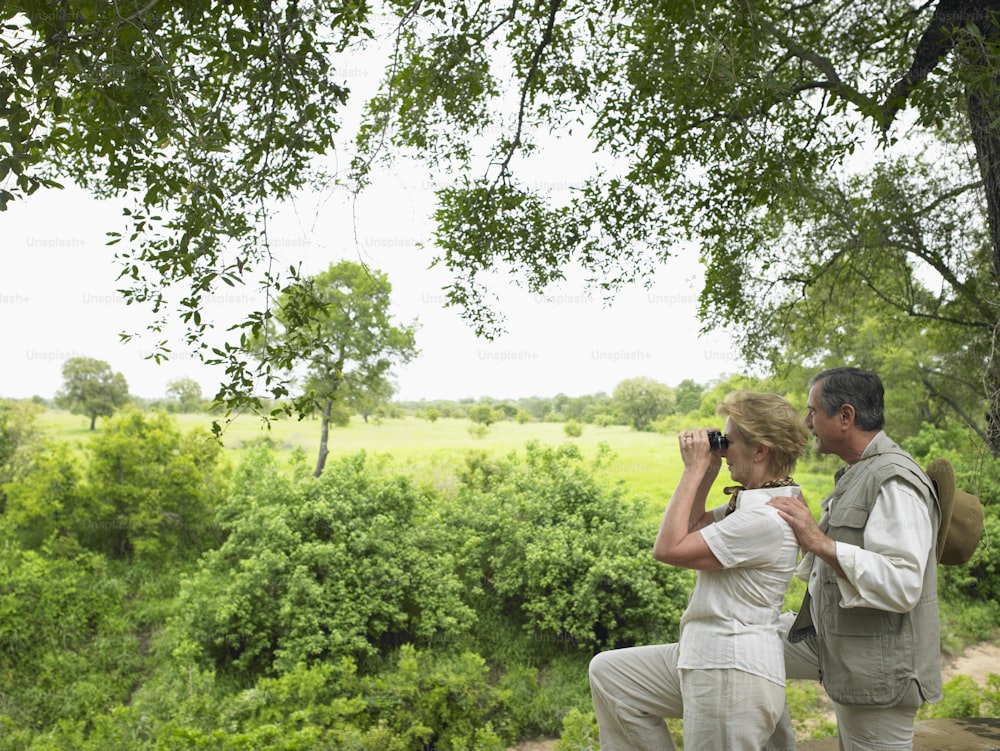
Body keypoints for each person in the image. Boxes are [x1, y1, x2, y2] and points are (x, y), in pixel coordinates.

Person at [589, 390, 810, 750]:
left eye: (729, 442)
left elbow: (669, 548)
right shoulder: (753, 503)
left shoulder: (764, 518)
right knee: (612, 675)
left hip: (731, 670)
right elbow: (691, 528)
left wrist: (691, 469)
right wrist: (706, 472)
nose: (722, 451)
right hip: (705, 655)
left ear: (760, 451)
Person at [765, 367, 942, 750]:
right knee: (751, 643)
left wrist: (819, 541)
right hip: (847, 652)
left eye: (813, 411)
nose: (807, 422)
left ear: (845, 416)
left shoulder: (893, 480)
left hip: (881, 673)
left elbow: (903, 583)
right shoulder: (861, 473)